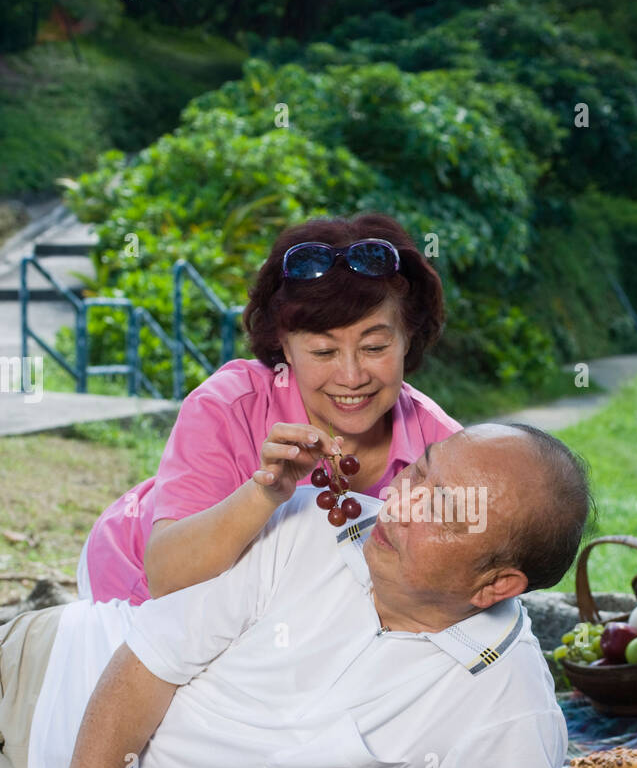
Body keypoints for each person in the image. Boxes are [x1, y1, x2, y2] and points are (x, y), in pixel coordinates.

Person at [0, 424, 594, 768]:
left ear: (496, 584)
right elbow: (147, 663)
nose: (398, 501)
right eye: (420, 470)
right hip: (42, 657)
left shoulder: (507, 693)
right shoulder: (312, 520)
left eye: (441, 509)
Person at [77, 213, 462, 604]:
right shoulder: (227, 406)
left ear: (408, 337)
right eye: (323, 351)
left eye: (374, 348)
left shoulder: (446, 449)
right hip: (137, 586)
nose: (351, 376)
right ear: (284, 345)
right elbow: (167, 578)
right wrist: (264, 495)